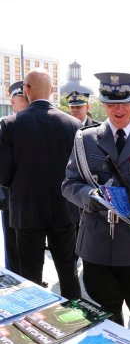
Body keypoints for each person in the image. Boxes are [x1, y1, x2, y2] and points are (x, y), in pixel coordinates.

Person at [62, 72, 130, 339]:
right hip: (95, 245)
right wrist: (90, 198)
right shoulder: (84, 139)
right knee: (105, 310)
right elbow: (68, 184)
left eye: (124, 101)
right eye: (110, 103)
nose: (117, 109)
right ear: (102, 103)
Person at [0, 69, 81, 299]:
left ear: (26, 90)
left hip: (27, 213)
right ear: (52, 91)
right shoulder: (73, 124)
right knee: (68, 273)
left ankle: (34, 326)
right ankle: (75, 321)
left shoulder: (10, 124)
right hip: (64, 211)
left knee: (30, 278)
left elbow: (3, 176)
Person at [0, 81, 29, 274]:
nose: (26, 103)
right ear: (12, 102)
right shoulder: (6, 126)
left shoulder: (38, 124)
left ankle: (31, 278)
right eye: (22, 100)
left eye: (28, 99)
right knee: (13, 245)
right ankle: (15, 280)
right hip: (11, 197)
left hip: (34, 199)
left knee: (30, 249)